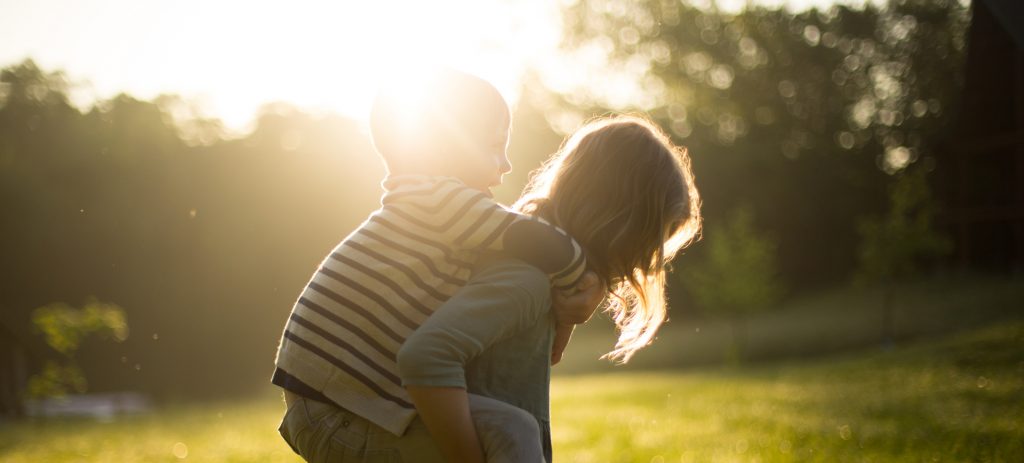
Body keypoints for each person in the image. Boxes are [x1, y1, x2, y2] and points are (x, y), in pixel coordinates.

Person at [272, 68, 599, 463]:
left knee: (503, 427)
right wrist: (582, 284)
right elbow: (541, 241)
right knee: (512, 430)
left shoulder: (427, 204)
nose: (507, 164)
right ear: (446, 147)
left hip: (337, 404)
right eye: (496, 146)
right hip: (337, 413)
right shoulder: (438, 200)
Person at [397, 115, 701, 462]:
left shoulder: (545, 276)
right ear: (617, 220)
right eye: (649, 243)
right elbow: (426, 354)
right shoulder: (527, 281)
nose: (646, 264)